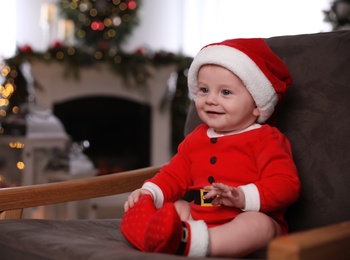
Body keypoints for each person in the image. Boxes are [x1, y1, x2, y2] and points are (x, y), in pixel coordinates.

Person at [120, 38, 301, 258]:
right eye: (204, 90)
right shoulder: (196, 138)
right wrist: (149, 193)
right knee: (175, 207)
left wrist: (242, 196)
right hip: (199, 217)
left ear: (257, 105)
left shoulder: (267, 139)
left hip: (245, 220)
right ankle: (155, 234)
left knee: (257, 224)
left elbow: (286, 185)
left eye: (225, 92)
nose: (210, 100)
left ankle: (191, 242)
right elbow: (173, 175)